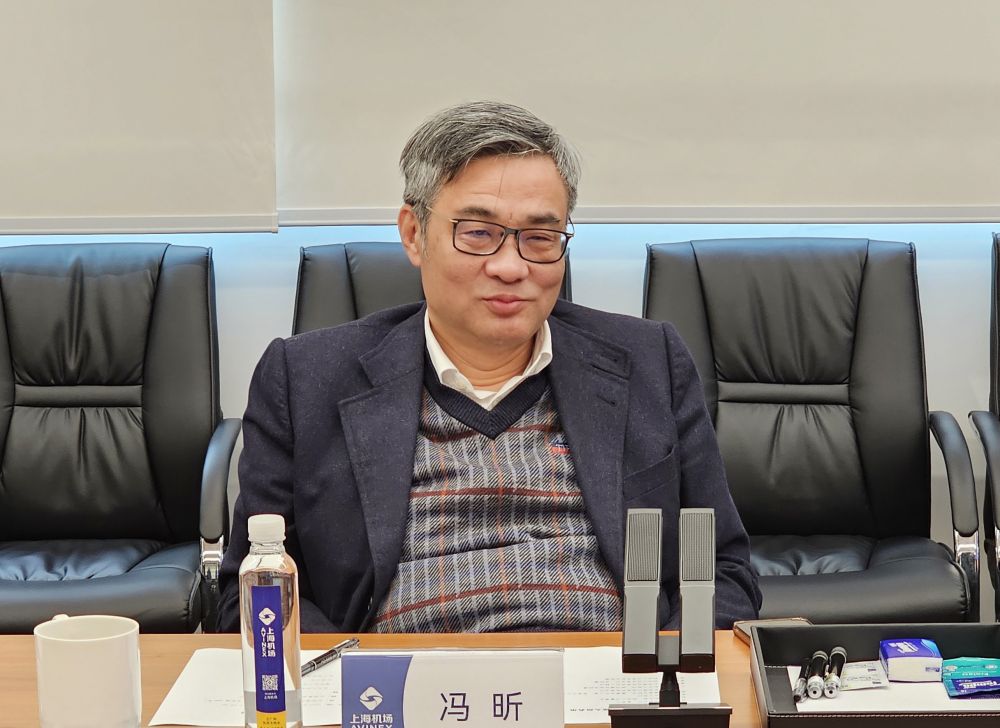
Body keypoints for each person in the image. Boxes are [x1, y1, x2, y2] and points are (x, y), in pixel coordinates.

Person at [217, 100, 760, 633]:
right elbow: (251, 593)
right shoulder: (304, 379)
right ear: (414, 234)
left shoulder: (648, 361)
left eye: (540, 237)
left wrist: (661, 667)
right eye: (478, 233)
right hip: (404, 680)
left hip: (608, 674)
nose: (510, 266)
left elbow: (724, 570)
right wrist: (351, 675)